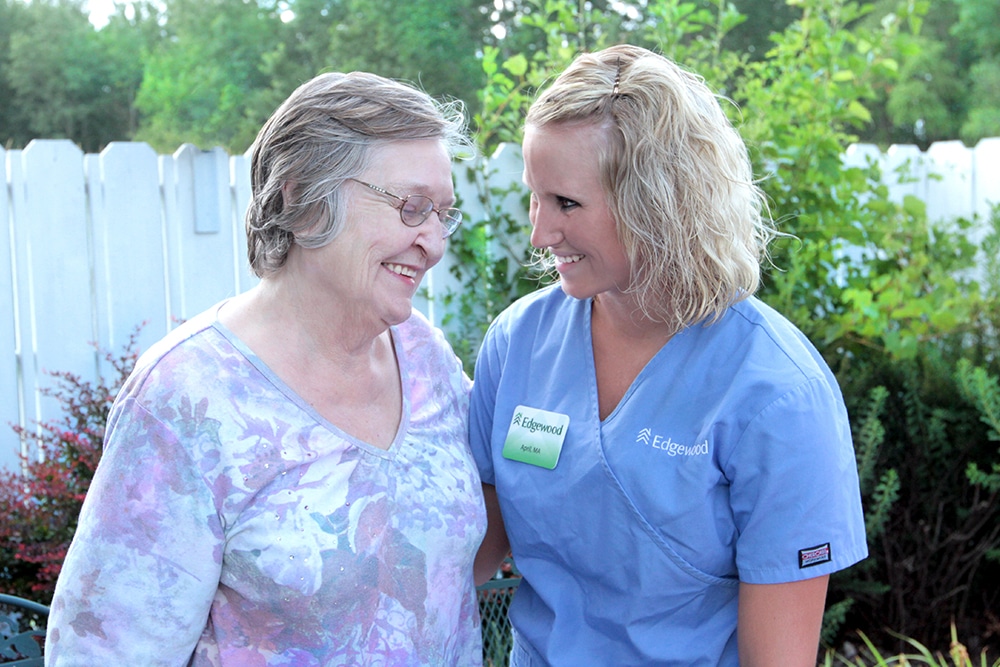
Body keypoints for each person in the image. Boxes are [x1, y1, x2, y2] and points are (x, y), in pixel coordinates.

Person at [46, 71, 487, 666]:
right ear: (303, 200)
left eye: (442, 215)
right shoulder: (187, 399)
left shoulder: (424, 355)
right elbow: (103, 653)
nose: (433, 243)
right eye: (412, 208)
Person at [470, 44, 868, 667]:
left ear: (657, 203)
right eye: (535, 197)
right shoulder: (518, 342)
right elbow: (469, 552)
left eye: (567, 203)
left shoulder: (778, 395)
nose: (539, 234)